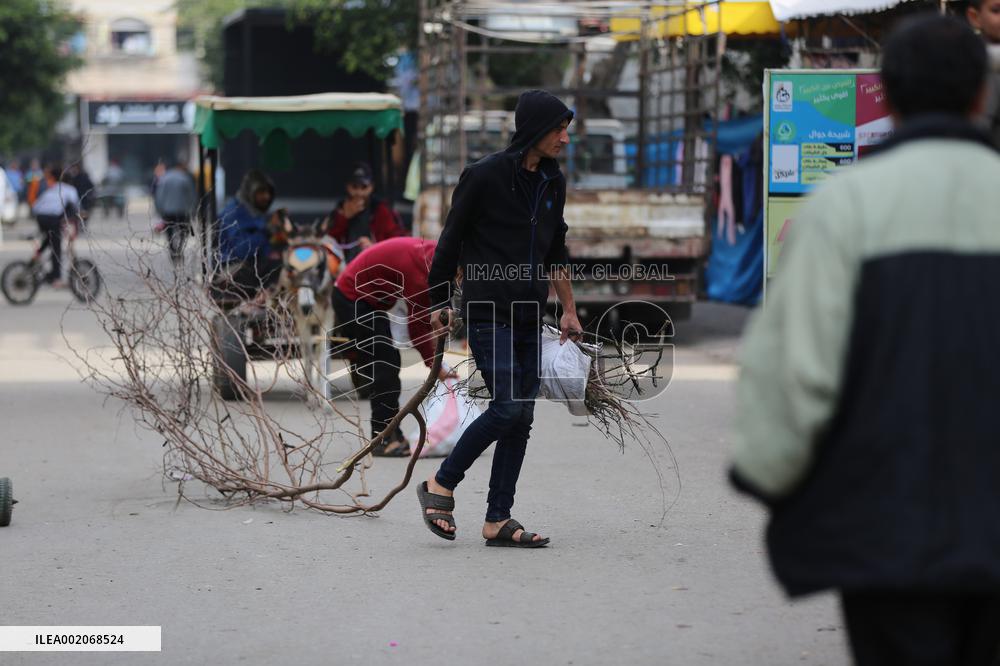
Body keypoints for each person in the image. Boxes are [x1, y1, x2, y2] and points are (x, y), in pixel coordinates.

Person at [731, 15, 1000, 665]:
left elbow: (792, 372)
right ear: (982, 96)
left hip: (886, 537)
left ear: (891, 97)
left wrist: (772, 477)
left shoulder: (843, 207)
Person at [417, 89, 583, 548]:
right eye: (558, 130)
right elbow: (450, 242)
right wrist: (438, 302)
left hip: (530, 312)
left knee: (522, 416)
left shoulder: (553, 181)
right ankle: (440, 484)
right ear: (534, 130)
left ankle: (497, 519)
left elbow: (556, 249)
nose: (565, 139)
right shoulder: (484, 176)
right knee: (508, 406)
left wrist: (568, 309)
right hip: (487, 311)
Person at [332, 236, 458, 456]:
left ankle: (390, 433)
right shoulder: (422, 274)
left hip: (372, 300)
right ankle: (382, 438)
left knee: (387, 359)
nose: (460, 279)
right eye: (459, 274)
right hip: (351, 298)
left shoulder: (437, 254)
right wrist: (435, 365)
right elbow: (417, 327)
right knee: (386, 362)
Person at [217, 169, 284, 299]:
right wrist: (269, 229)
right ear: (250, 193)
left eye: (268, 192)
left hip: (251, 266)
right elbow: (243, 250)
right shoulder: (233, 213)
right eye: (261, 192)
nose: (266, 197)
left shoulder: (254, 212)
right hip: (233, 272)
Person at [324, 162, 406, 262]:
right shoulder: (339, 210)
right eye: (354, 187)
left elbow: (397, 244)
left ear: (371, 187)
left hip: (375, 265)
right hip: (346, 267)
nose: (359, 193)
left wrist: (374, 247)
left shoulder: (381, 210)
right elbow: (327, 242)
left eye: (364, 187)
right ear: (348, 187)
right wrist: (344, 217)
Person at [31, 165, 80, 287]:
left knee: (50, 239)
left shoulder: (51, 188)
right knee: (56, 247)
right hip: (52, 218)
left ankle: (36, 257)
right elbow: (77, 207)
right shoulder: (70, 190)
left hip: (40, 217)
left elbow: (36, 206)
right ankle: (56, 278)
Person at [154, 160, 198, 263]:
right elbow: (192, 196)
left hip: (167, 211)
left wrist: (159, 210)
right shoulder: (185, 178)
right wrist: (193, 210)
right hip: (182, 211)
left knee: (169, 232)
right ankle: (179, 248)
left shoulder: (164, 179)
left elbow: (159, 196)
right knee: (184, 231)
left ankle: (172, 250)